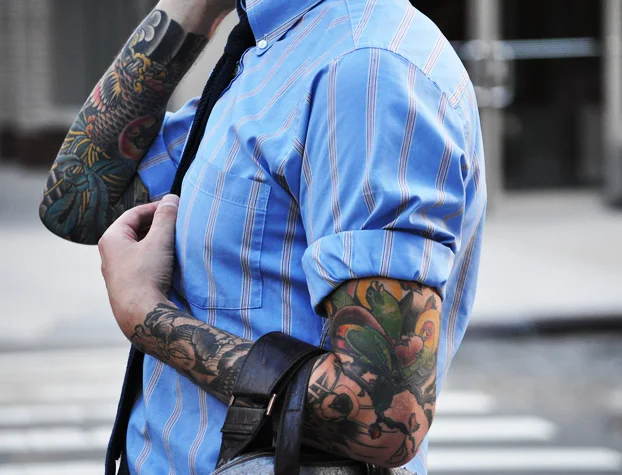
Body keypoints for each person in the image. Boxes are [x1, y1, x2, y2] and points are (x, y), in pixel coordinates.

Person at [40, 0, 486, 473]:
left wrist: (149, 319)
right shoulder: (276, 52)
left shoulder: (365, 70)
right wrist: (190, 9)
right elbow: (76, 201)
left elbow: (383, 414)